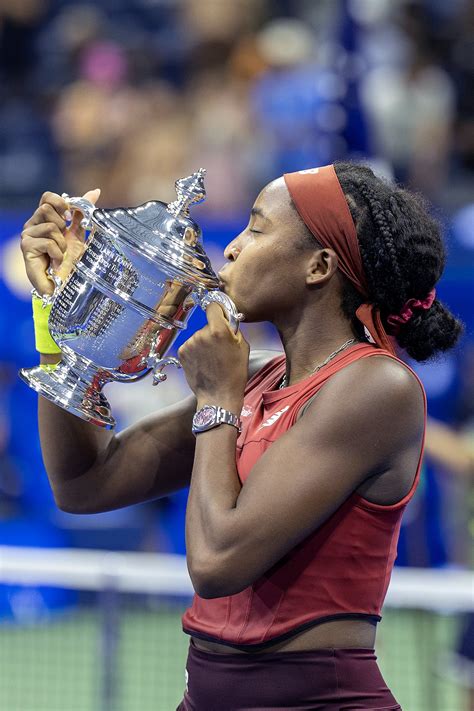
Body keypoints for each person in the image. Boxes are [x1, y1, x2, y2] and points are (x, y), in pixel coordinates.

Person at [20, 163, 462, 710]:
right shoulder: (253, 375)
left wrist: (217, 400)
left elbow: (216, 564)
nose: (232, 249)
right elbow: (84, 484)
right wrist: (61, 318)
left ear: (318, 266)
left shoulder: (377, 386)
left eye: (255, 228)